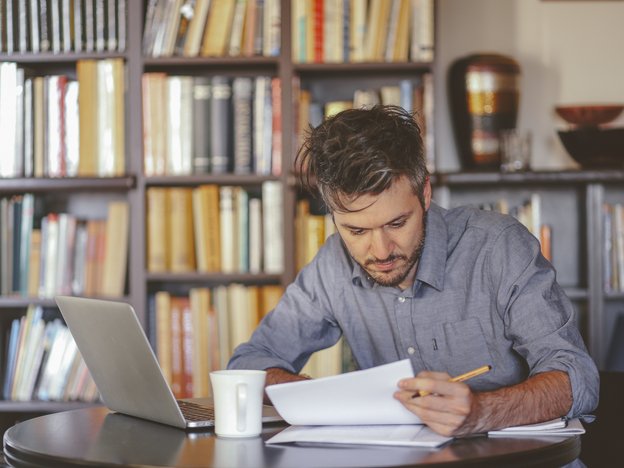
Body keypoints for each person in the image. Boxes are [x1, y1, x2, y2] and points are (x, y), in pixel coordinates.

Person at [228, 105, 599, 436]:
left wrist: (482, 412)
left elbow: (578, 378)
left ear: (424, 194)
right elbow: (250, 364)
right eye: (356, 231)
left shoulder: (498, 247)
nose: (380, 250)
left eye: (397, 223)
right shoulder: (333, 265)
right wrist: (316, 398)